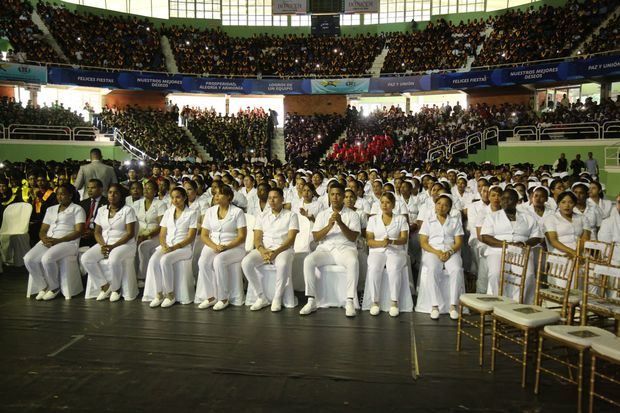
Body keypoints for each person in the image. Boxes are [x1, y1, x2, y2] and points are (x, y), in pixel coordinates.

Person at [299, 183, 361, 318]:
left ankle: (349, 301)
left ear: (343, 196)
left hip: (345, 249)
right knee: (309, 260)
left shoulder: (352, 215)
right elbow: (315, 237)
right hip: (326, 249)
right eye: (332, 194)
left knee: (353, 262)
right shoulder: (322, 214)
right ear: (329, 195)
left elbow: (352, 238)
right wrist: (329, 226)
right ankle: (311, 300)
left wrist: (340, 223)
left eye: (338, 194)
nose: (335, 197)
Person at [480, 189, 543, 302]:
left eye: (509, 199)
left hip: (521, 251)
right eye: (503, 198)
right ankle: (498, 302)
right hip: (498, 250)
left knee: (527, 276)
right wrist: (506, 245)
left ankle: (518, 304)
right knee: (495, 274)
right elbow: (485, 237)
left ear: (516, 201)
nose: (505, 201)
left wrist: (524, 243)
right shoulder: (492, 217)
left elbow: (537, 236)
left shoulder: (528, 217)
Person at [24, 184, 85, 300]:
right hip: (49, 240)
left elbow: (79, 232)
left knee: (47, 258)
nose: (59, 197)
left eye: (62, 194)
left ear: (70, 195)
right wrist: (43, 238)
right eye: (57, 194)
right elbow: (43, 230)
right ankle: (43, 286)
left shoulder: (77, 209)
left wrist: (59, 240)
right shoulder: (50, 209)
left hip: (68, 242)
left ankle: (54, 287)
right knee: (28, 259)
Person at [241, 188, 299, 312]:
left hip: (283, 249)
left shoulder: (291, 215)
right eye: (270, 198)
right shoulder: (262, 216)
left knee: (282, 264)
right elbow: (257, 238)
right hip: (265, 249)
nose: (272, 200)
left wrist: (275, 252)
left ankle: (277, 298)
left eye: (275, 197)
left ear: (282, 199)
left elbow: (291, 239)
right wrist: (263, 251)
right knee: (246, 262)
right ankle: (261, 297)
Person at [80, 184, 137, 302]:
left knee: (114, 259)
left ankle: (116, 289)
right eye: (110, 192)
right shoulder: (102, 210)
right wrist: (103, 245)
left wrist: (113, 246)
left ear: (121, 196)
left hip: (124, 244)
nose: (112, 195)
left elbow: (130, 233)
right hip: (105, 243)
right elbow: (97, 232)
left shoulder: (128, 210)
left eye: (116, 193)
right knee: (86, 258)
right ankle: (104, 286)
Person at [145, 186, 198, 308]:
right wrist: (164, 246)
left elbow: (190, 237)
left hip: (183, 248)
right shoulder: (168, 212)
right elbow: (162, 233)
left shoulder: (192, 213)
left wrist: (174, 248)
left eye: (178, 197)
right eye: (173, 198)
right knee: (153, 260)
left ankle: (170, 294)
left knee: (165, 260)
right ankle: (159, 293)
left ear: (184, 198)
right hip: (167, 246)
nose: (175, 200)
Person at [196, 185, 247, 311]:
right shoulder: (210, 211)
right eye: (215, 194)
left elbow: (242, 236)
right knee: (202, 262)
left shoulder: (237, 212)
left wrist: (226, 247)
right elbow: (204, 235)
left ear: (229, 196)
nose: (216, 196)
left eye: (219, 194)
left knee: (218, 261)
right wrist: (214, 246)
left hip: (234, 246)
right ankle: (210, 297)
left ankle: (223, 298)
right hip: (214, 244)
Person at [418, 194, 464, 320]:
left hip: (450, 251)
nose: (441, 207)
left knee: (457, 270)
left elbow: (459, 242)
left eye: (445, 205)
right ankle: (435, 305)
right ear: (435, 205)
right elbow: (423, 242)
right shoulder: (428, 220)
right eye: (439, 203)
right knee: (432, 269)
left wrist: (449, 252)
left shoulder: (455, 221)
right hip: (432, 251)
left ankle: (453, 305)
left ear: (449, 208)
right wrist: (437, 252)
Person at [365, 192, 409, 317]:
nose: (385, 205)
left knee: (393, 268)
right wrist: (381, 243)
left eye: (388, 202)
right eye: (382, 202)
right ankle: (375, 302)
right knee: (373, 267)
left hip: (396, 251)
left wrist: (392, 241)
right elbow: (369, 240)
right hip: (377, 251)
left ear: (393, 205)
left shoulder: (401, 219)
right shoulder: (373, 219)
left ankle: (394, 302)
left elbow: (404, 239)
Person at [543, 191, 592, 257]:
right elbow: (553, 241)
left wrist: (577, 253)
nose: (567, 205)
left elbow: (585, 238)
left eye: (570, 202)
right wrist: (572, 252)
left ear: (574, 204)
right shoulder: (551, 218)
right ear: (558, 204)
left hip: (581, 252)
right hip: (560, 253)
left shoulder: (583, 218)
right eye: (563, 202)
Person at [135, 180, 166, 281]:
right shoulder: (137, 203)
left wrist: (147, 236)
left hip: (156, 234)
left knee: (143, 247)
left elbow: (161, 225)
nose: (146, 190)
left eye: (149, 188)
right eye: (145, 188)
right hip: (138, 233)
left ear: (155, 191)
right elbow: (134, 221)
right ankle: (131, 274)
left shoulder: (160, 204)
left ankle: (143, 277)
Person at [79, 179, 108, 247]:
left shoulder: (107, 203)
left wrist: (94, 232)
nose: (89, 190)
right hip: (83, 233)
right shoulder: (83, 203)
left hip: (98, 234)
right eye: (88, 188)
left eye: (93, 188)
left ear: (101, 189)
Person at [598, 194, 620, 265]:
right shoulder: (607, 222)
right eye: (619, 202)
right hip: (613, 262)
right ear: (616, 205)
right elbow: (605, 248)